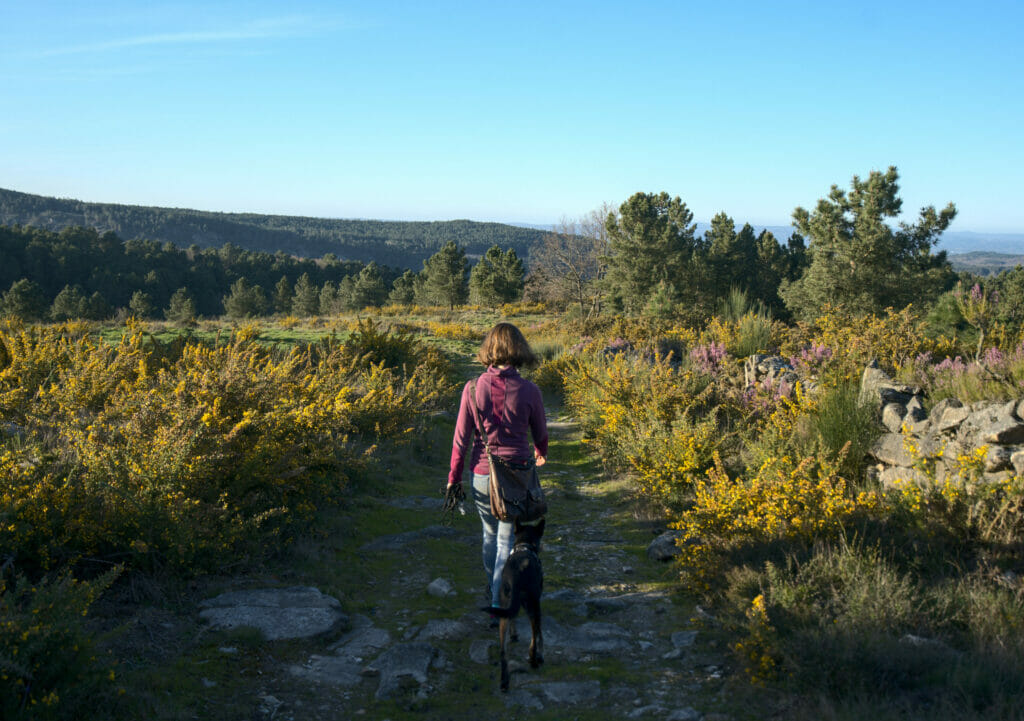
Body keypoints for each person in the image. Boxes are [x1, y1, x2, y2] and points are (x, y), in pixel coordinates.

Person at [448, 322, 548, 610]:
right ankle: (499, 601)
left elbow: (460, 441)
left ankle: (493, 588)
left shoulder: (471, 388)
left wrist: (453, 479)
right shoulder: (531, 391)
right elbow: (540, 433)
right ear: (519, 349)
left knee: (489, 536)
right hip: (516, 477)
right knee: (507, 539)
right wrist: (541, 451)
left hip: (481, 474)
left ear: (488, 349)